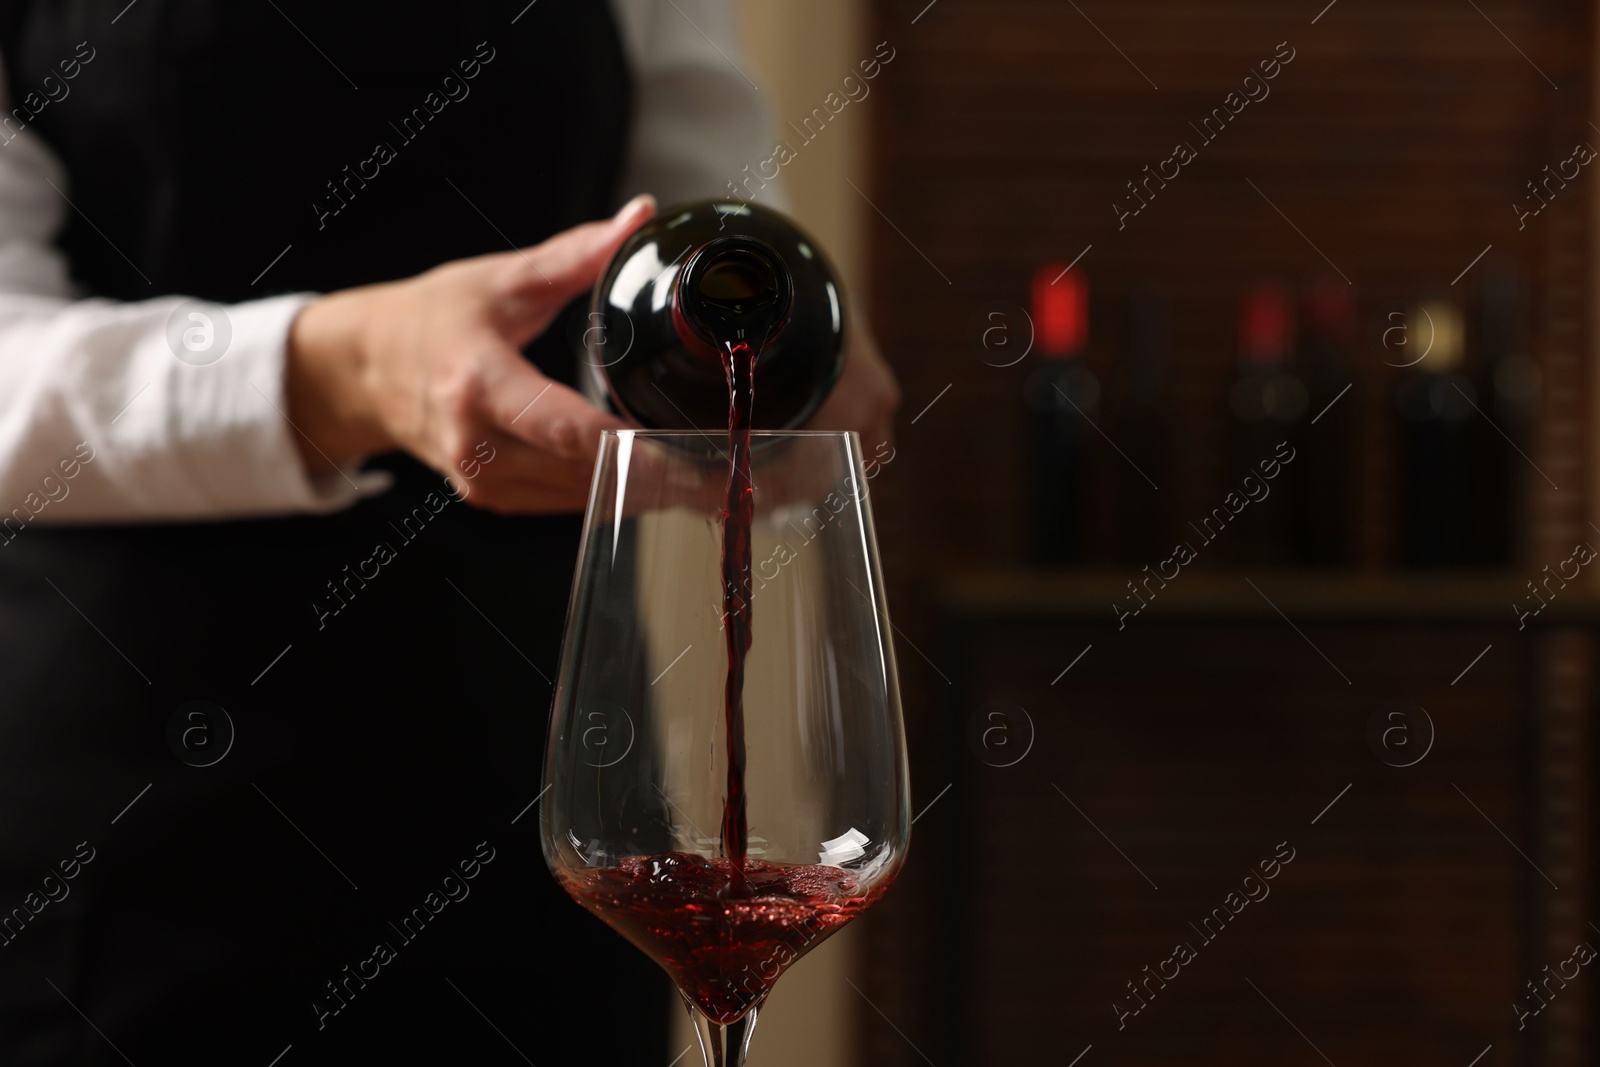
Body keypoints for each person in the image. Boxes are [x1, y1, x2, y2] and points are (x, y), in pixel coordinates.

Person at [0, 2, 898, 1063]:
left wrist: (777, 376)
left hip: (532, 813)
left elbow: (698, 235)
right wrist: (355, 369)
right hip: (128, 835)